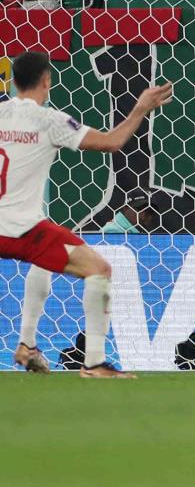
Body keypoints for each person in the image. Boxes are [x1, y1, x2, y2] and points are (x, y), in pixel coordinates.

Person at [1, 50, 172, 379]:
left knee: (44, 258)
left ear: (13, 81)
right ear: (47, 81)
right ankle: (94, 362)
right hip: (23, 231)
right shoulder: (49, 120)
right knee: (99, 269)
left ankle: (27, 345)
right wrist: (140, 108)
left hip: (19, 227)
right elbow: (112, 142)